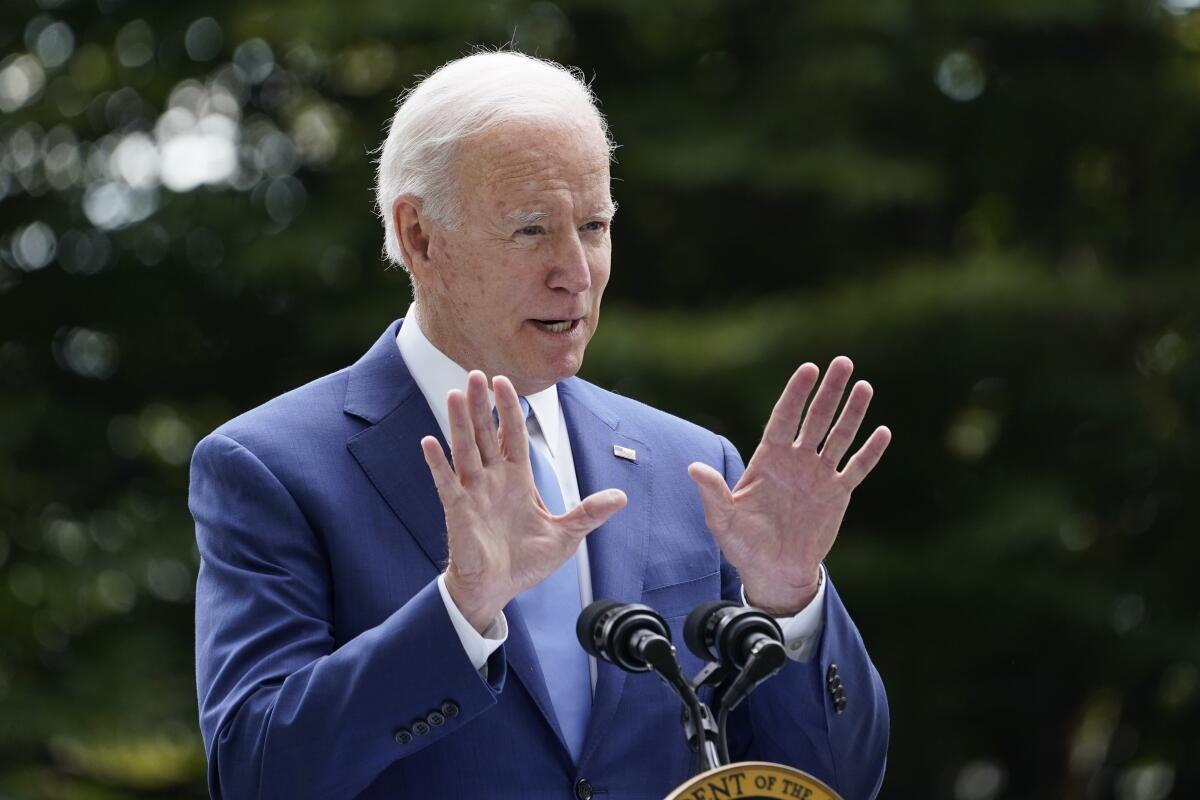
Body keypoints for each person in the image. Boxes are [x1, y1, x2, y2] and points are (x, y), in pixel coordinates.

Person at [190, 50, 892, 800]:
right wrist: (459, 613)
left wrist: (790, 601)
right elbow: (255, 773)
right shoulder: (271, 467)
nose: (576, 272)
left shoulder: (693, 466)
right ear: (421, 238)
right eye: (532, 231)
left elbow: (836, 781)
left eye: (593, 225)